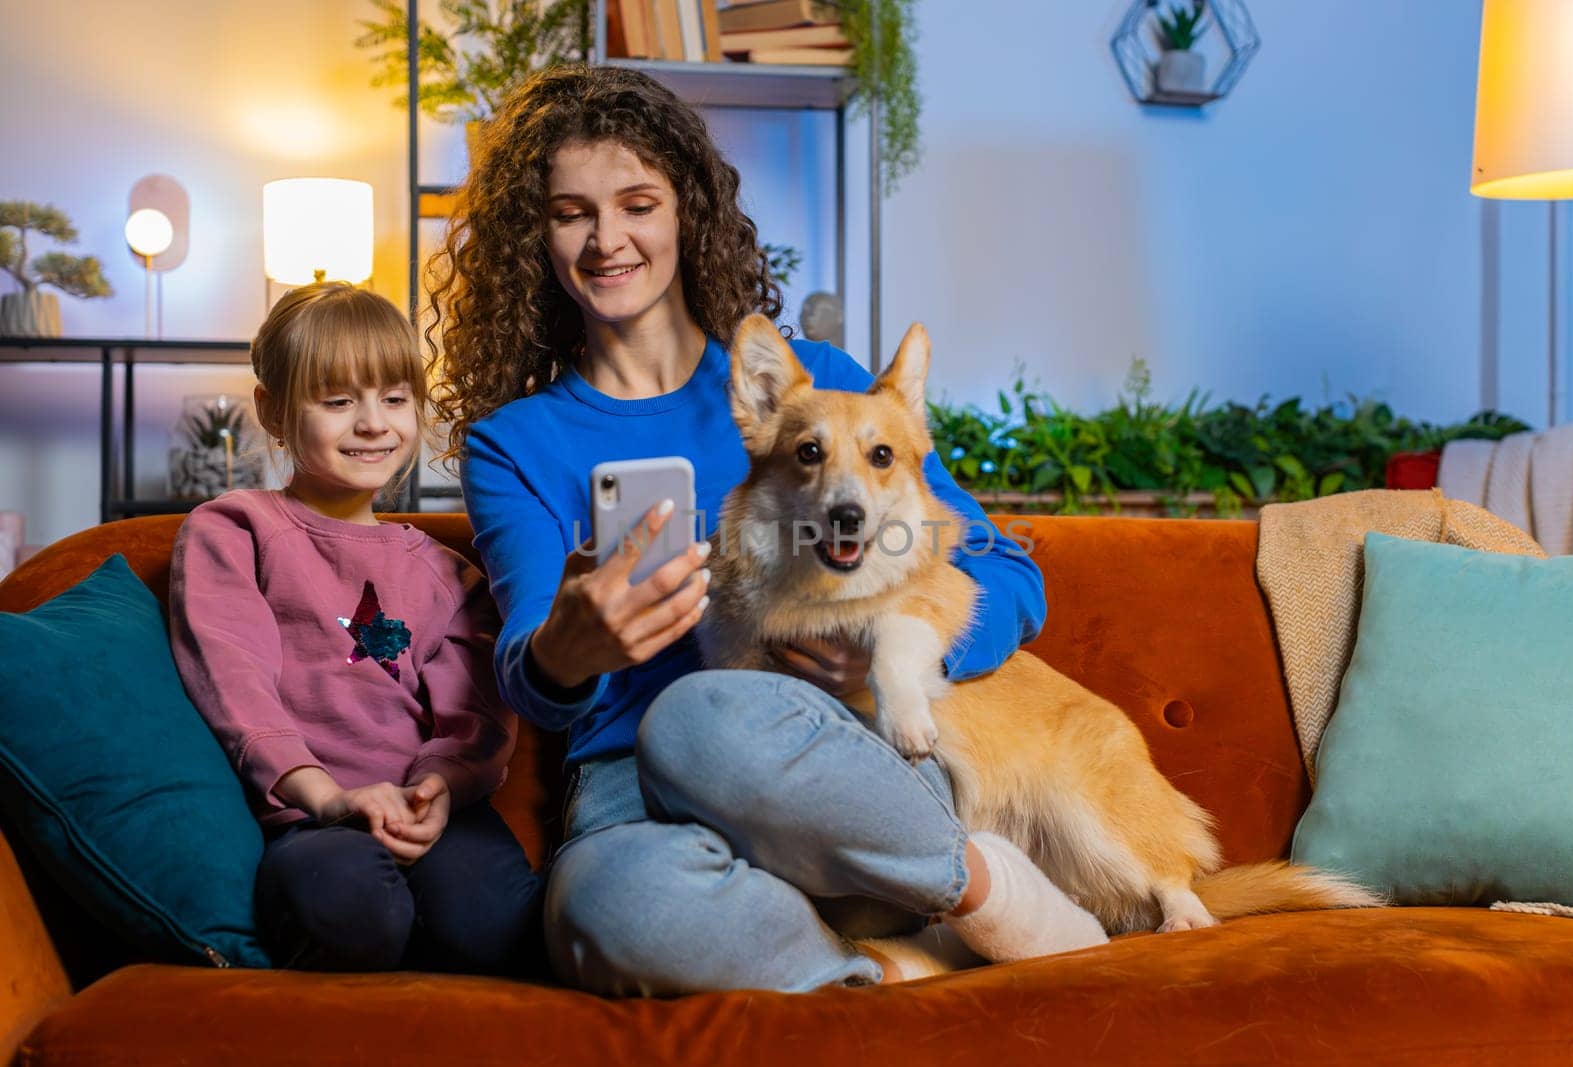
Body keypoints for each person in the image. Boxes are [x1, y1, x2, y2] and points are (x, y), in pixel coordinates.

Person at [427, 65, 1106, 996]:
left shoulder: (816, 388)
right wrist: (566, 649)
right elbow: (526, 675)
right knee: (603, 902)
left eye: (637, 203)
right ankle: (870, 970)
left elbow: (1006, 573)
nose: (607, 238)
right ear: (533, 237)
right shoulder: (513, 445)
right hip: (635, 788)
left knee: (700, 712)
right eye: (570, 212)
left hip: (842, 773)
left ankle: (984, 887)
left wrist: (893, 665)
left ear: (685, 214)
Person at [169, 282, 541, 975]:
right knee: (350, 907)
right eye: (338, 401)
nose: (373, 423)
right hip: (307, 819)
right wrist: (327, 795)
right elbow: (232, 679)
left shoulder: (448, 573)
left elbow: (474, 716)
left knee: (497, 923)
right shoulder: (238, 529)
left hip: (433, 811)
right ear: (273, 410)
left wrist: (439, 788)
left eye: (395, 398)